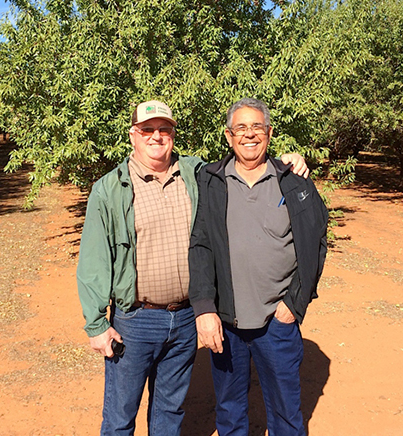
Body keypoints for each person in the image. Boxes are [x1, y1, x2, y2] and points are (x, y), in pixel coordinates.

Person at [76, 100, 309, 436]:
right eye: (147, 130)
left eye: (164, 129)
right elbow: (94, 259)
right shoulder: (110, 188)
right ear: (133, 135)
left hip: (186, 318)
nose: (156, 137)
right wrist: (96, 324)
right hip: (136, 321)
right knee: (119, 416)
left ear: (173, 134)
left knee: (170, 411)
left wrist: (287, 160)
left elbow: (245, 160)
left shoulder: (196, 173)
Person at [189, 98, 329, 436]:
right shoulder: (210, 181)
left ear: (269, 133)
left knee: (285, 413)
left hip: (277, 323)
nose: (249, 135)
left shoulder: (294, 182)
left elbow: (316, 243)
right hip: (228, 321)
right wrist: (205, 307)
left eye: (256, 127)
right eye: (240, 128)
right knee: (230, 411)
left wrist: (293, 304)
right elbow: (201, 245)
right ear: (228, 136)